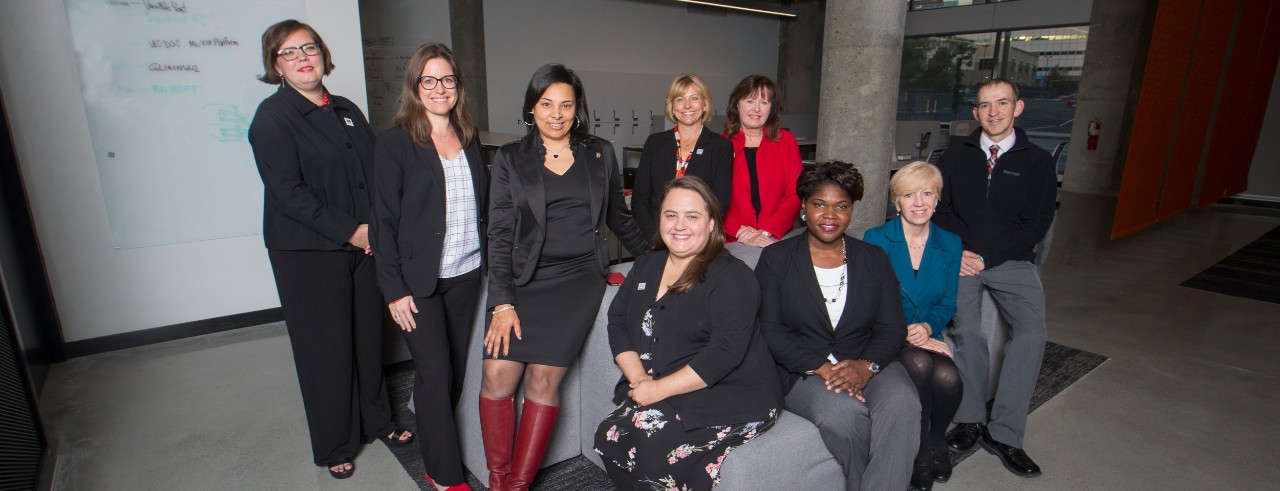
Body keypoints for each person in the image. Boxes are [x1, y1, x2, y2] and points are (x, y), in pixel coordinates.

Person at [247, 19, 411, 480]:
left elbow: (372, 172)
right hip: (308, 255)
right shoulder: (272, 117)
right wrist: (351, 232)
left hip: (362, 246)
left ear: (322, 53)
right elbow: (288, 192)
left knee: (366, 338)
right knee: (325, 349)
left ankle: (377, 421)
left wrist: (380, 226)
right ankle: (335, 442)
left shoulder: (345, 108)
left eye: (309, 47)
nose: (302, 57)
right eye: (289, 52)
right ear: (275, 65)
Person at [480, 63, 648, 491]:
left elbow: (618, 217)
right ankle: (498, 481)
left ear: (578, 109)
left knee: (541, 378)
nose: (556, 114)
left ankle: (517, 485)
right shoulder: (511, 159)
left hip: (576, 280)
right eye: (546, 104)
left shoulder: (600, 152)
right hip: (521, 280)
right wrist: (502, 302)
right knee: (497, 377)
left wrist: (660, 256)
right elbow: (499, 233)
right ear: (531, 109)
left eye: (566, 105)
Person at [594, 176, 781, 490]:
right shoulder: (647, 265)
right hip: (661, 380)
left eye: (692, 216)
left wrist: (657, 390)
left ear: (711, 224)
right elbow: (617, 321)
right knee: (608, 436)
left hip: (732, 392)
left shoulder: (732, 277)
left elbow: (723, 354)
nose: (679, 225)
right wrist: (639, 379)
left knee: (651, 451)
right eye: (671, 215)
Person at [755, 161, 919, 491]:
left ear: (852, 210)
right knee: (843, 416)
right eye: (820, 204)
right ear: (803, 207)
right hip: (803, 368)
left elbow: (892, 326)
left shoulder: (874, 258)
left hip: (866, 355)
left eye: (841, 206)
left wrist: (867, 366)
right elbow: (768, 328)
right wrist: (820, 367)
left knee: (904, 404)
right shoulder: (776, 258)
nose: (830, 216)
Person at [371, 43, 485, 491]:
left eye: (448, 80)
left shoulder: (470, 139)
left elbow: (483, 206)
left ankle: (435, 439)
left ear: (458, 86)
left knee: (448, 373)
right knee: (435, 372)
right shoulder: (395, 143)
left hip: (465, 274)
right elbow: (383, 224)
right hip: (417, 283)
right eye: (430, 80)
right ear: (416, 86)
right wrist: (394, 290)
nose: (440, 89)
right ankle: (443, 474)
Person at [934, 78, 1057, 478]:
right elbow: (941, 210)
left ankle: (1005, 433)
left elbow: (1036, 222)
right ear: (975, 113)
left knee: (1032, 333)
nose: (993, 112)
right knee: (967, 331)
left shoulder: (1037, 160)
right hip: (963, 259)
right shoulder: (954, 157)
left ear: (1017, 108)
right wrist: (960, 252)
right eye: (985, 105)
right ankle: (969, 419)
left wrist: (989, 256)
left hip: (1011, 261)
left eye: (1002, 103)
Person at [863, 162, 964, 491]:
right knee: (920, 366)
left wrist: (926, 327)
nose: (918, 202)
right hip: (888, 331)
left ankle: (937, 443)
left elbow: (948, 303)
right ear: (897, 203)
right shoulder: (876, 239)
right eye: (909, 195)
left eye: (926, 194)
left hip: (926, 330)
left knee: (948, 377)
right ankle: (920, 453)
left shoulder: (950, 243)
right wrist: (906, 329)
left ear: (937, 200)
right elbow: (870, 300)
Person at [632, 73, 733, 240]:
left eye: (694, 98)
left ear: (705, 104)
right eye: (679, 99)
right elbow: (639, 201)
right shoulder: (655, 143)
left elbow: (719, 204)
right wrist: (658, 239)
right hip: (657, 240)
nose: (687, 105)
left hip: (699, 241)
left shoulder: (721, 147)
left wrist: (693, 239)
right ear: (672, 107)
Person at [721, 75, 803, 247]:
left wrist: (765, 232)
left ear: (771, 108)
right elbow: (713, 198)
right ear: (737, 104)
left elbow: (795, 193)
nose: (756, 108)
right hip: (732, 240)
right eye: (750, 101)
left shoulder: (786, 141)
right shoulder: (720, 145)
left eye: (764, 102)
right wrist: (740, 231)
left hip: (775, 238)